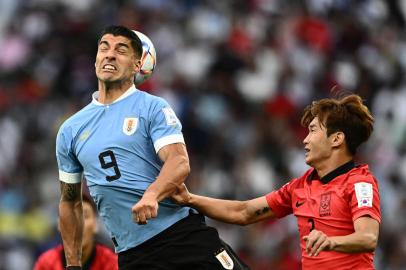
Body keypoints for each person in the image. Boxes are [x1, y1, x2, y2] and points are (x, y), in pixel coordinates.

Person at [56, 25, 248, 270]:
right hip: (133, 257)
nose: (110, 54)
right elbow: (69, 202)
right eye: (104, 48)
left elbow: (179, 161)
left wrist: (152, 194)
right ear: (95, 60)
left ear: (138, 65)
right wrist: (73, 265)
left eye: (121, 49)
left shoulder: (152, 107)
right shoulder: (70, 130)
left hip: (181, 239)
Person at [172, 94, 381, 269]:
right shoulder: (299, 187)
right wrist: (190, 199)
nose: (305, 139)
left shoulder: (360, 183)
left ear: (337, 139)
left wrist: (331, 241)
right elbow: (243, 212)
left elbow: (368, 238)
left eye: (314, 130)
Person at [34, 194, 118, 270]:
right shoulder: (46, 264)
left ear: (95, 225)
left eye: (85, 216)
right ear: (59, 225)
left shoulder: (111, 262)